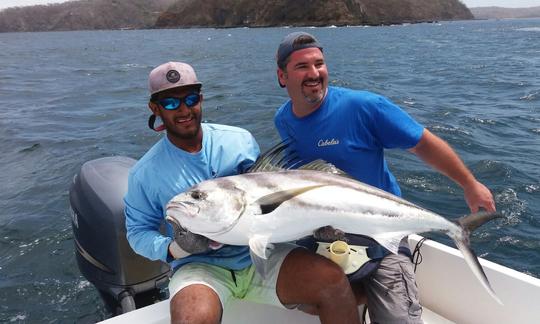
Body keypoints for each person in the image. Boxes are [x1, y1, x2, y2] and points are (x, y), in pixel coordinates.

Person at [273, 32, 497, 323]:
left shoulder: (365, 107)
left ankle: (375, 286)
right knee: (299, 296)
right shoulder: (283, 119)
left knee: (397, 319)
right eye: (302, 67)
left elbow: (423, 143)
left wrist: (469, 184)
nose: (315, 73)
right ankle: (362, 294)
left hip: (380, 231)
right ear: (282, 76)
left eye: (320, 64)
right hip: (324, 231)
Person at [124, 61, 362, 324]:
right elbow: (137, 233)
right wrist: (175, 249)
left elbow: (274, 196)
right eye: (170, 103)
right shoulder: (144, 173)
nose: (184, 110)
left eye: (191, 99)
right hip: (200, 267)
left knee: (334, 284)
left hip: (264, 254)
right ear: (154, 108)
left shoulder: (238, 141)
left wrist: (314, 224)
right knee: (192, 319)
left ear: (201, 99)